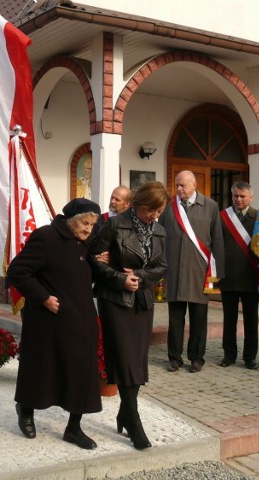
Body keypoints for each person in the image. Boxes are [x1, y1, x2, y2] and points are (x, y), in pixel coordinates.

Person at [6, 198, 103, 449]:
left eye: (92, 224)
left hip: (81, 321)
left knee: (80, 374)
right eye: (85, 223)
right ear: (70, 219)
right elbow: (17, 271)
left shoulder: (83, 243)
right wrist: (43, 297)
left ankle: (74, 429)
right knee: (41, 370)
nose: (88, 229)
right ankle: (26, 410)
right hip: (49, 322)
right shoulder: (46, 237)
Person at [89, 181, 168, 450]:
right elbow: (93, 260)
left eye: (159, 212)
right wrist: (120, 278)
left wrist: (141, 277)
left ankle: (125, 411)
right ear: (138, 204)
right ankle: (133, 419)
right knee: (124, 357)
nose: (155, 217)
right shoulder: (114, 225)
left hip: (142, 300)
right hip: (116, 300)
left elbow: (161, 266)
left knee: (136, 359)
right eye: (151, 211)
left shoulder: (159, 230)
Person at [159, 170, 224, 373]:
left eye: (183, 185)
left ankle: (197, 358)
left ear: (194, 185)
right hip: (175, 271)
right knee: (175, 318)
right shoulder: (169, 208)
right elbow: (159, 238)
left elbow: (218, 241)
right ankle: (174, 358)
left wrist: (216, 274)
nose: (179, 189)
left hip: (200, 273)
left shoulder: (211, 206)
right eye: (177, 185)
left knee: (199, 318)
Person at [219, 181, 259, 370]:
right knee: (229, 319)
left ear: (250, 198)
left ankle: (250, 357)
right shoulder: (222, 217)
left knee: (251, 320)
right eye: (236, 196)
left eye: (243, 196)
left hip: (251, 276)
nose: (239, 199)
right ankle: (229, 354)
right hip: (229, 276)